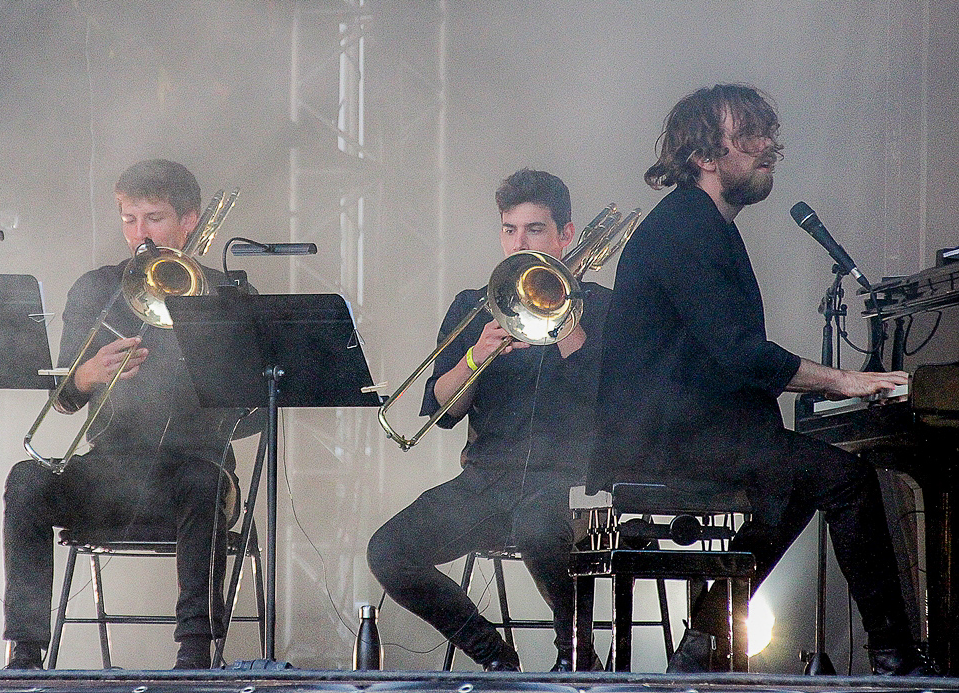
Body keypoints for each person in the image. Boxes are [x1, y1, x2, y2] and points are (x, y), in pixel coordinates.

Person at [592, 84, 932, 675]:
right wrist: (842, 382)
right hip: (661, 437)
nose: (769, 146)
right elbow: (737, 356)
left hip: (691, 426)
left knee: (802, 479)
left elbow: (725, 359)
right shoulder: (686, 228)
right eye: (749, 135)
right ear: (703, 156)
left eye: (768, 133)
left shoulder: (706, 223)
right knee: (844, 478)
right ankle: (895, 657)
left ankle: (699, 645)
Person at [3, 159, 252, 670]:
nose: (140, 234)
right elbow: (65, 401)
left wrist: (207, 360)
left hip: (196, 471)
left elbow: (258, 416)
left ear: (190, 221)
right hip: (110, 471)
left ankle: (195, 651)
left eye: (154, 218)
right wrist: (86, 375)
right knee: (26, 480)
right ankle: (24, 652)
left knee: (202, 482)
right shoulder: (97, 290)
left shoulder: (229, 294)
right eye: (129, 219)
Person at [368, 169, 606, 672]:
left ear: (565, 235)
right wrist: (476, 356)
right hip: (486, 482)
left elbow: (611, 399)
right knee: (388, 551)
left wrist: (563, 318)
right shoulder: (477, 305)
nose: (519, 243)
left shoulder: (601, 306)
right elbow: (444, 408)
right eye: (509, 230)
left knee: (537, 525)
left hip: (575, 485)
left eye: (534, 230)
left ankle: (578, 656)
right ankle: (496, 659)